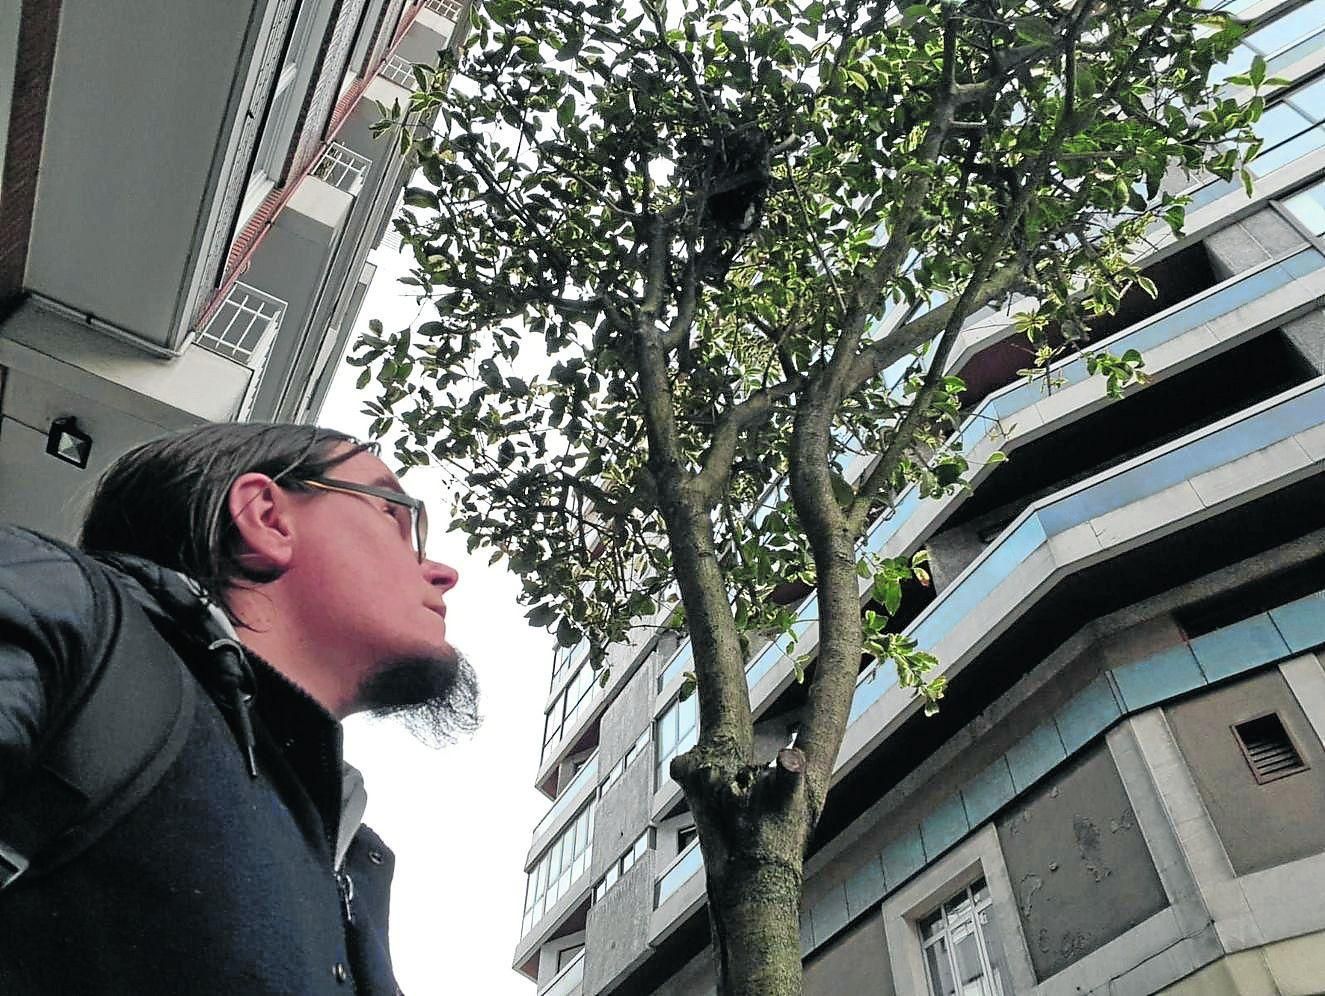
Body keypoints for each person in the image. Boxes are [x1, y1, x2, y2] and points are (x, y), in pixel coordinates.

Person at [0, 422, 477, 994]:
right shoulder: (63, 611)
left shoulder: (358, 863)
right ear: (268, 519)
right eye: (396, 518)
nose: (443, 573)